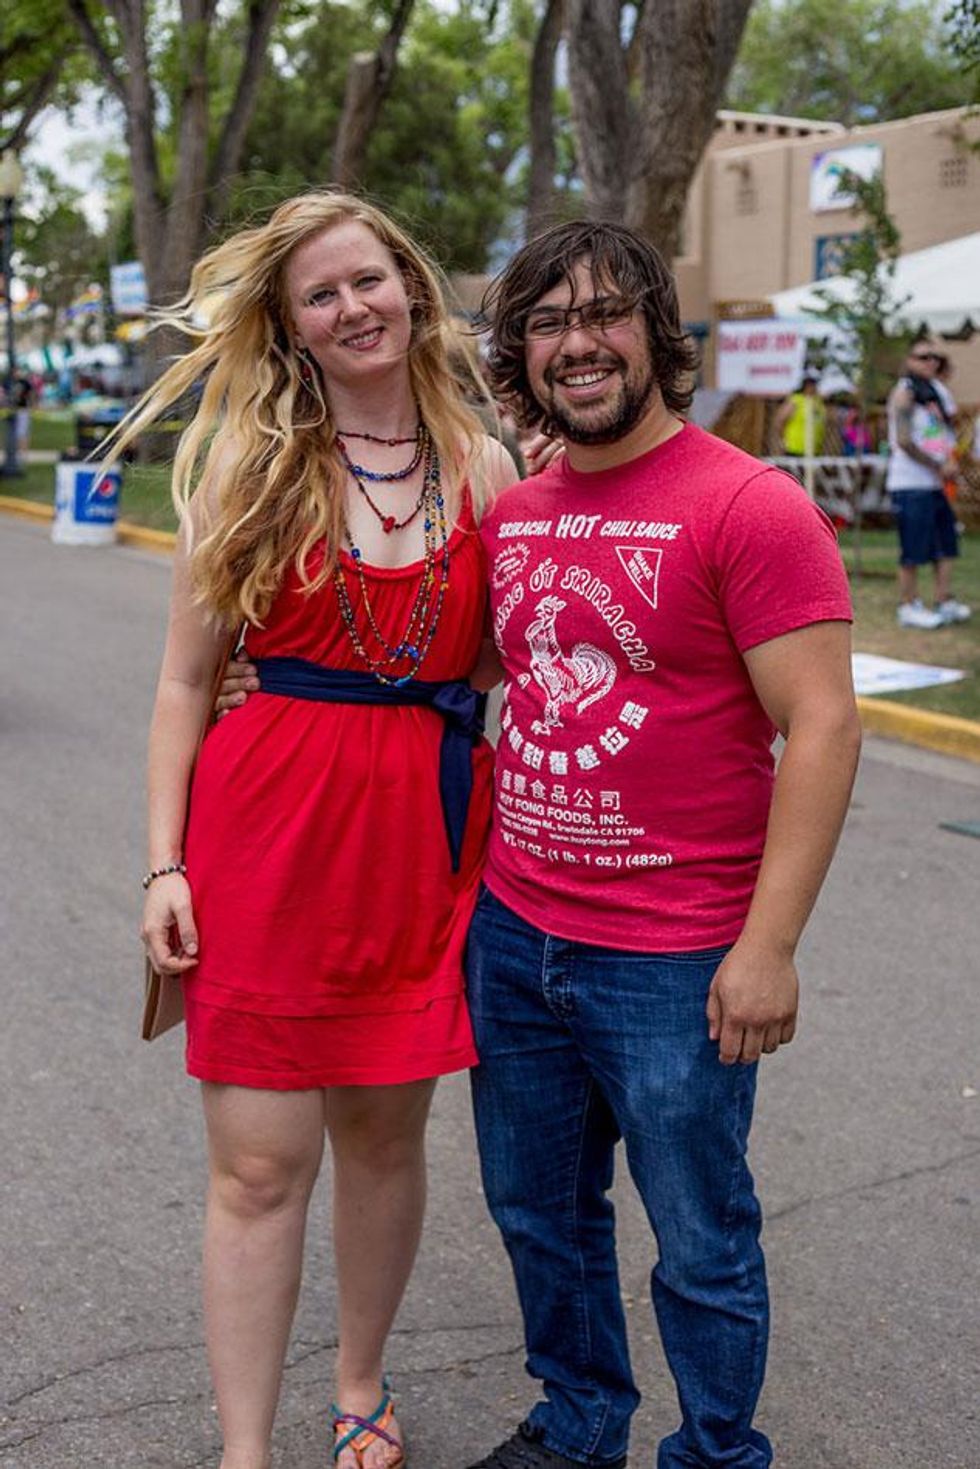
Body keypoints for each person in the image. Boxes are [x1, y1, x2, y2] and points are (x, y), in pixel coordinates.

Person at [223, 220, 862, 1469]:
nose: (579, 344)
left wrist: (767, 946)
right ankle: (578, 1428)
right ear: (519, 354)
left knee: (699, 1230)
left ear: (655, 333)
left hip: (675, 953)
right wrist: (275, 678)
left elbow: (823, 725)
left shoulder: (750, 505)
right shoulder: (513, 512)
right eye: (549, 323)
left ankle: (716, 1448)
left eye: (605, 315)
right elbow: (448, 665)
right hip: (513, 932)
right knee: (540, 1216)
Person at [129, 190, 516, 1469]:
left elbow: (526, 662)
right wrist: (164, 863)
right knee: (256, 1165)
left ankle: (359, 1381)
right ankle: (245, 1446)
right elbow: (186, 682)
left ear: (410, 285)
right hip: (262, 847)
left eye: (368, 280)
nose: (353, 307)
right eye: (320, 294)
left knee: (382, 1136)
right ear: (291, 327)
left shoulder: (484, 464)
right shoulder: (249, 467)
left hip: (419, 848)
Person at [885, 338, 971, 629]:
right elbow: (905, 440)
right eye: (923, 357)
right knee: (913, 547)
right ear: (908, 361)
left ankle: (943, 599)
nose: (931, 362)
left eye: (934, 357)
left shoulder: (934, 393)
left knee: (945, 544)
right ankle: (908, 605)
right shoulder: (904, 394)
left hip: (935, 484)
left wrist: (949, 458)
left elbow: (939, 432)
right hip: (910, 483)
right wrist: (938, 464)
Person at [771, 368, 826, 457]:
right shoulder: (796, 400)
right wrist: (782, 441)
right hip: (794, 448)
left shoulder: (818, 402)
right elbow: (780, 420)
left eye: (814, 383)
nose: (812, 386)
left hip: (813, 449)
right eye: (810, 383)